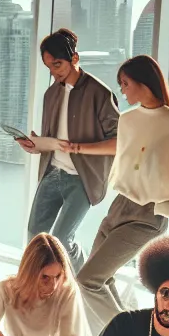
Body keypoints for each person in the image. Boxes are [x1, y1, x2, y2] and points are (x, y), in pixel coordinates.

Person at [68, 55, 169, 331]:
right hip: (119, 206)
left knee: (88, 280)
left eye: (125, 83)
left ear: (143, 83)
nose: (123, 90)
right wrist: (76, 148)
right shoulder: (128, 120)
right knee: (103, 278)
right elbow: (117, 148)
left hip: (148, 214)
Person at [22, 28, 118, 267]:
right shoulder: (51, 94)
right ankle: (41, 286)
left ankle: (83, 281)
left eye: (58, 65)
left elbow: (119, 142)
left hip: (81, 179)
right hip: (53, 173)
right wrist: (37, 144)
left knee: (62, 241)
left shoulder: (100, 93)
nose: (54, 73)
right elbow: (53, 139)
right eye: (49, 68)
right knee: (35, 237)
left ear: (74, 58)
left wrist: (77, 148)